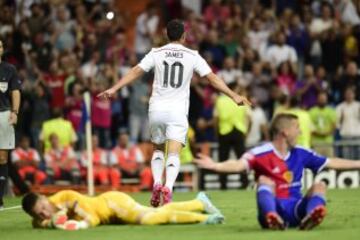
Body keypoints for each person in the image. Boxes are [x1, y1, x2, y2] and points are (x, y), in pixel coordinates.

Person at [98, 19, 251, 206]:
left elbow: (137, 70)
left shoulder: (156, 53)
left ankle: (156, 183)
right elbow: (212, 78)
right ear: (184, 36)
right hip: (177, 110)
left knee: (158, 150)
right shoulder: (192, 55)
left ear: (165, 35)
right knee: (174, 154)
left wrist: (114, 88)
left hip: (157, 109)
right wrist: (233, 94)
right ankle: (168, 187)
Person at [195, 113, 360, 230]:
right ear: (285, 132)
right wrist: (216, 166)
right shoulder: (260, 153)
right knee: (264, 181)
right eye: (297, 127)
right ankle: (272, 216)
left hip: (296, 209)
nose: (300, 132)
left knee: (320, 186)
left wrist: (358, 164)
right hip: (270, 208)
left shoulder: (301, 152)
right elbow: (238, 165)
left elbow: (332, 162)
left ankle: (311, 216)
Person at [21, 190, 224, 230]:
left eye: (43, 208)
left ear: (44, 198)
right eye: (39, 213)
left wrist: (80, 225)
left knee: (149, 220)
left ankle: (205, 219)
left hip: (112, 204)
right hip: (111, 214)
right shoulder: (41, 218)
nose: (44, 213)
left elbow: (92, 217)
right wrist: (49, 222)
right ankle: (199, 202)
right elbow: (37, 222)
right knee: (155, 213)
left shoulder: (66, 197)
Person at [0, 39, 22, 208]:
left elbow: (15, 92)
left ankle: (0, 197)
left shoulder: (9, 69)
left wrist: (15, 112)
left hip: (3, 114)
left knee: (2, 157)